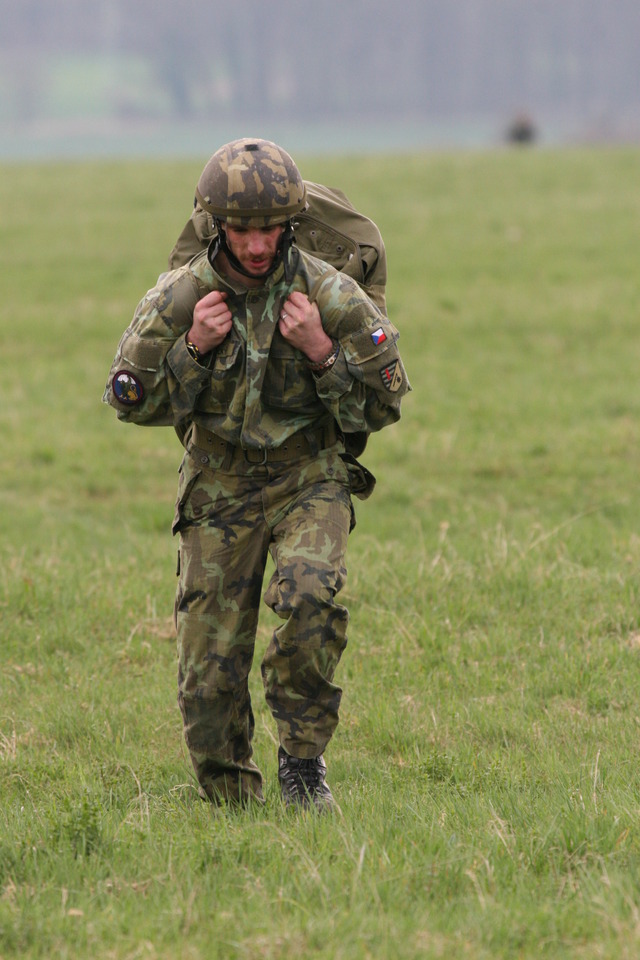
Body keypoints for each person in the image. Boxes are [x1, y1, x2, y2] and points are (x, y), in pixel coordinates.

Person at [103, 138, 410, 811]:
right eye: (241, 229)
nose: (255, 244)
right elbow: (130, 401)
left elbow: (384, 403)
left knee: (310, 596)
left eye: (269, 228)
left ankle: (302, 762)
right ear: (216, 226)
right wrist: (192, 350)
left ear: (291, 224)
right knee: (208, 675)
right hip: (217, 484)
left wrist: (323, 353)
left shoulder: (333, 296)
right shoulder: (177, 301)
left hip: (309, 476)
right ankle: (231, 807)